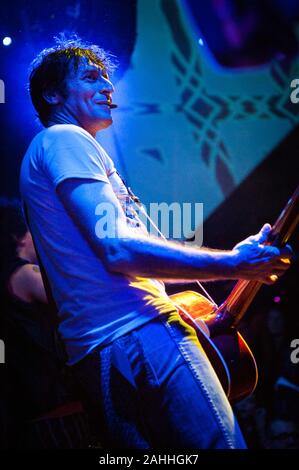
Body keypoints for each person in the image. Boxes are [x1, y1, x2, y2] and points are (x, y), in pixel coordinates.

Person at [20, 35, 292, 449]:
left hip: (99, 354)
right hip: (137, 334)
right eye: (92, 77)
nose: (108, 87)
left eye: (108, 78)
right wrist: (235, 263)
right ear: (53, 94)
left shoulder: (51, 151)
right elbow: (119, 249)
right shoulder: (65, 139)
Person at [0, 198, 89, 448]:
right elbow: (78, 297)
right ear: (18, 236)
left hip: (29, 406)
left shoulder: (7, 276)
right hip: (57, 404)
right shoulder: (26, 274)